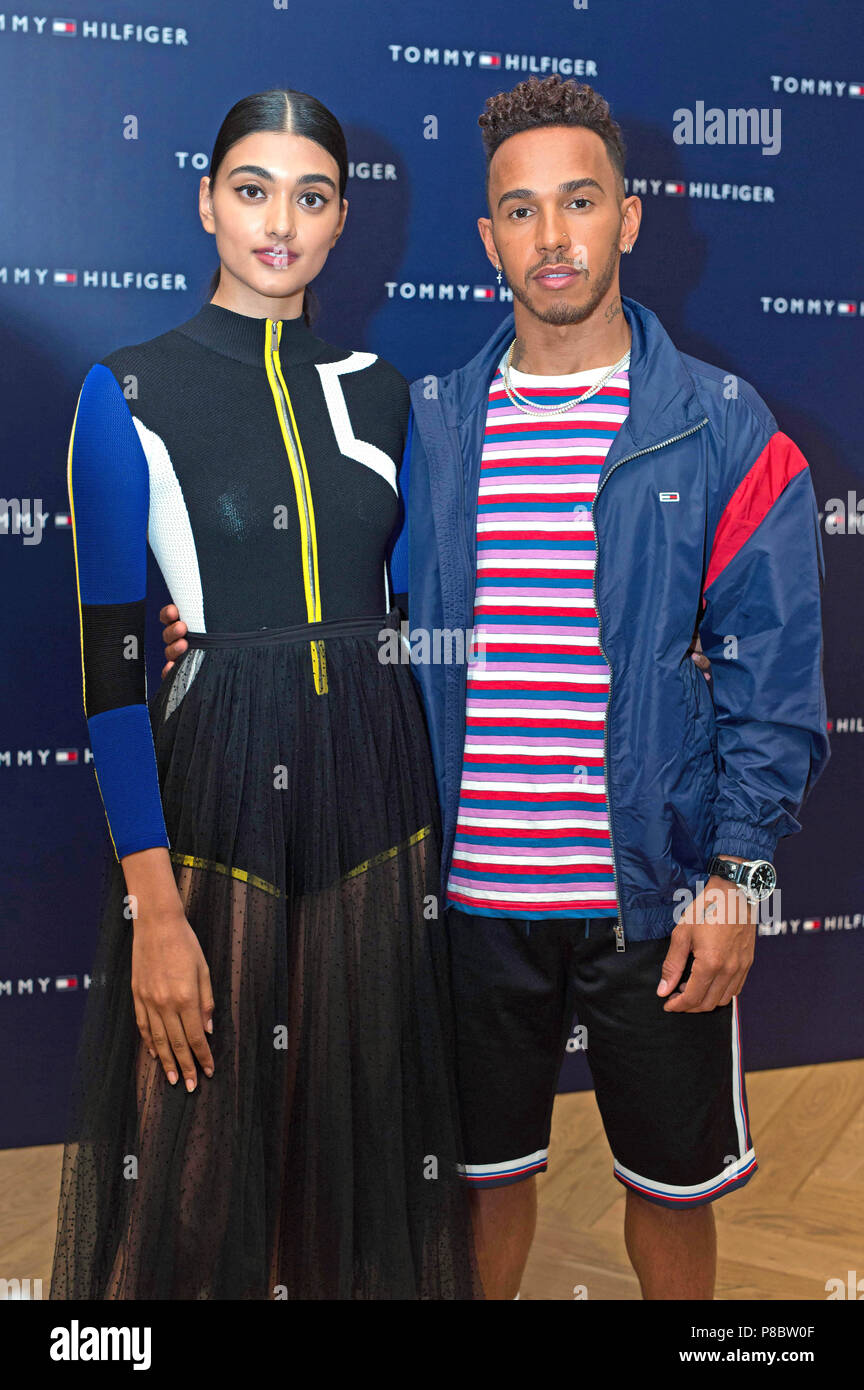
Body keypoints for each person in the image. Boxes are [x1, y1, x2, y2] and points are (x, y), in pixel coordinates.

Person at [401, 75, 830, 1300]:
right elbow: (342, 604)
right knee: (481, 1187)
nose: (554, 238)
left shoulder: (724, 427)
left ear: (628, 218)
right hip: (472, 902)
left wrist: (737, 876)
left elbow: (777, 677)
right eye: (522, 212)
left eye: (579, 201)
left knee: (671, 1198)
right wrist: (199, 629)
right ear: (489, 241)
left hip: (655, 895)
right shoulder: (434, 426)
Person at [50, 87, 481, 1301]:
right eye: (252, 189)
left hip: (377, 794)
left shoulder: (393, 391)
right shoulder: (122, 390)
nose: (279, 220)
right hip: (216, 803)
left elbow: (419, 611)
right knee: (187, 1184)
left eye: (311, 195)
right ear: (205, 203)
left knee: (347, 1169)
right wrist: (155, 910)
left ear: (345, 219)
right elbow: (112, 668)